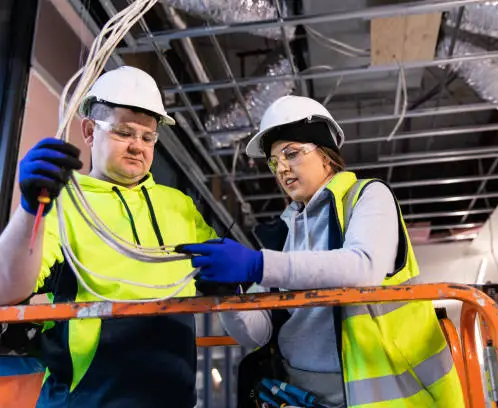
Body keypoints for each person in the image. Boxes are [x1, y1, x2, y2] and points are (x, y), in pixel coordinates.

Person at [177, 95, 465, 407]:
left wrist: (257, 265)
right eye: (274, 161)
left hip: (383, 390)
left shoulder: (367, 197)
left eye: (292, 154)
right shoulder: (285, 233)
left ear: (326, 156)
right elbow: (259, 333)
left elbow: (362, 268)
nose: (282, 168)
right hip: (303, 393)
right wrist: (228, 296)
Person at [0, 66, 218, 407]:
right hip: (87, 401)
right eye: (123, 133)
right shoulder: (67, 203)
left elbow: (221, 276)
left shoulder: (178, 206)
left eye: (148, 138)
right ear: (89, 131)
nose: (137, 147)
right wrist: (31, 208)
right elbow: (6, 288)